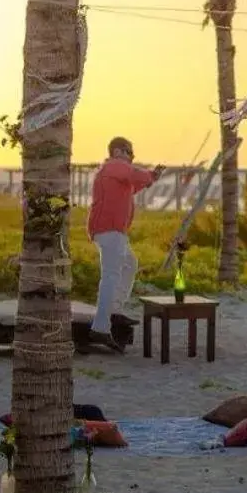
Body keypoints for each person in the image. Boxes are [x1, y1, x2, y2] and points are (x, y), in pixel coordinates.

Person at [89, 136, 162, 350]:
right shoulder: (114, 165)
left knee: (130, 264)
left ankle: (115, 310)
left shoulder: (113, 172)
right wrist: (149, 175)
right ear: (119, 151)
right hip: (110, 230)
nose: (132, 157)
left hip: (114, 231)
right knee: (110, 275)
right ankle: (100, 328)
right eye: (130, 152)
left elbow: (132, 186)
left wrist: (152, 178)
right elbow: (134, 175)